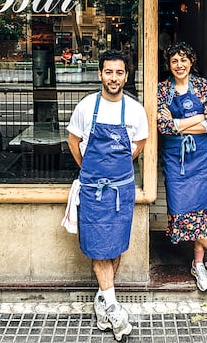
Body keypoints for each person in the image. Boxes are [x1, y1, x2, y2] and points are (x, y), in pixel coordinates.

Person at [67, 49, 148, 340]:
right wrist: (90, 170)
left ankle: (102, 302)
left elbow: (138, 145)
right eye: (108, 72)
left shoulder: (135, 110)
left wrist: (117, 172)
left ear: (126, 76)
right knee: (100, 246)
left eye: (119, 72)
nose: (113, 78)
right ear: (100, 74)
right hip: (93, 190)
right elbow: (74, 141)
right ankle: (113, 308)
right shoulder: (87, 107)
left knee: (114, 247)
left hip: (121, 190)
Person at [157, 41, 207, 292]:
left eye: (183, 59)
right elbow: (162, 127)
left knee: (200, 210)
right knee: (180, 211)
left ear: (191, 61)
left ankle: (198, 265)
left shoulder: (202, 86)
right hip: (175, 158)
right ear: (169, 64)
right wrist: (193, 119)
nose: (179, 65)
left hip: (203, 158)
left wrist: (177, 123)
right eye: (174, 60)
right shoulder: (162, 90)